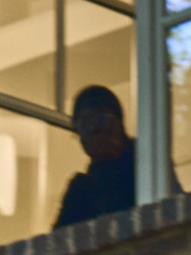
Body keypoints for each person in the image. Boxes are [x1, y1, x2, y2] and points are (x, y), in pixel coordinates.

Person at [53, 85, 139, 228]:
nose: (92, 131)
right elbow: (56, 243)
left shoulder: (146, 160)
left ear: (118, 123)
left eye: (99, 120)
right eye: (83, 124)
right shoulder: (83, 188)